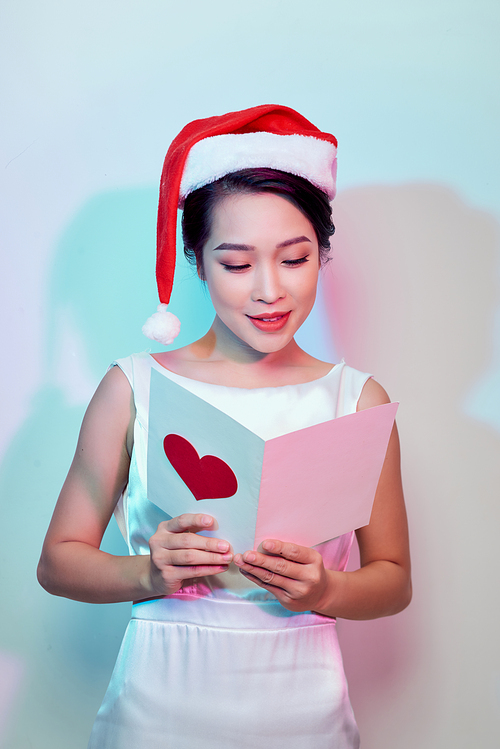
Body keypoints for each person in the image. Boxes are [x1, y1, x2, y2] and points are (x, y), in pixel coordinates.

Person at [37, 105, 411, 749]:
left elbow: (394, 579)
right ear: (196, 257)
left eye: (293, 259)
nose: (269, 290)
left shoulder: (356, 397)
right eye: (237, 265)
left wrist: (323, 588)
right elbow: (57, 562)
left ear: (323, 253)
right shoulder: (133, 387)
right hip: (158, 707)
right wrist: (148, 575)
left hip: (304, 709)